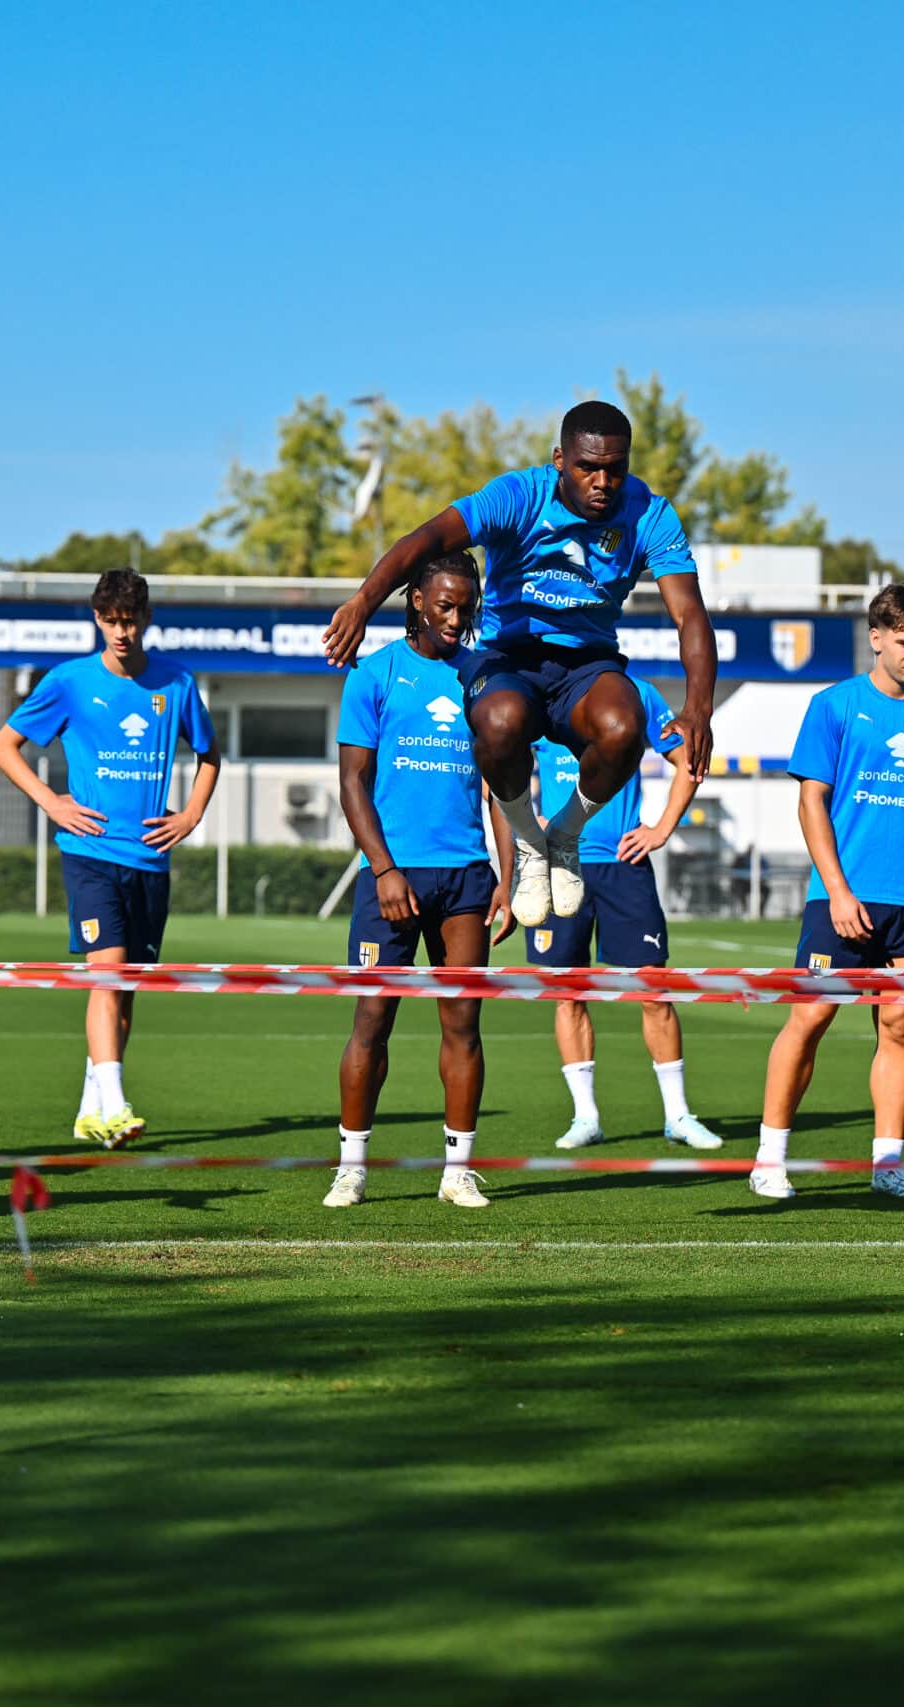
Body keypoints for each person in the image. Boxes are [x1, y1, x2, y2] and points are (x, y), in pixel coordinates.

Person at [320, 400, 716, 929]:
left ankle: (565, 834)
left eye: (614, 469)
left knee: (625, 727)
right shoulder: (519, 496)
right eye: (587, 467)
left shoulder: (649, 513)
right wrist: (363, 603)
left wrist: (699, 708)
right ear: (559, 459)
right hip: (508, 657)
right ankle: (529, 841)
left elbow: (689, 612)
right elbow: (428, 539)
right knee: (500, 719)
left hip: (586, 664)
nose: (602, 482)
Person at [752, 585, 904, 1202]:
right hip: (842, 900)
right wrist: (838, 891)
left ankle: (888, 1165)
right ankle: (770, 1157)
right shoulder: (834, 706)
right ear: (876, 637)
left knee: (900, 1027)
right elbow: (810, 802)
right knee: (811, 1016)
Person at [0, 569, 218, 1148]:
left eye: (130, 620)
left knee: (127, 989)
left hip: (150, 859)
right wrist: (51, 802)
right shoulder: (69, 682)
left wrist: (190, 816)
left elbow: (211, 756)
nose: (121, 632)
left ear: (146, 619)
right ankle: (116, 1106)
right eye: (111, 621)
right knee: (108, 974)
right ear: (98, 619)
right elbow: (4, 746)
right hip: (89, 851)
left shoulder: (178, 682)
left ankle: (91, 1107)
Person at [327, 554, 515, 1210]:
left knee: (463, 1023)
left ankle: (457, 1170)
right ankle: (351, 1166)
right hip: (393, 877)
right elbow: (352, 783)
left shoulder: (485, 675)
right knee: (372, 1020)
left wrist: (507, 877)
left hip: (466, 878)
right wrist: (383, 869)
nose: (457, 619)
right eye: (444, 605)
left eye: (467, 606)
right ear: (415, 600)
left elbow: (501, 789)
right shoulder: (374, 674)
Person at [527, 670, 718, 1151]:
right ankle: (585, 1116)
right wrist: (529, 824)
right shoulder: (539, 688)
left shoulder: (636, 693)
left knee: (653, 990)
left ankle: (678, 1115)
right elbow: (498, 763)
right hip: (559, 863)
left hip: (622, 863)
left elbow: (689, 762)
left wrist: (662, 829)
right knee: (566, 992)